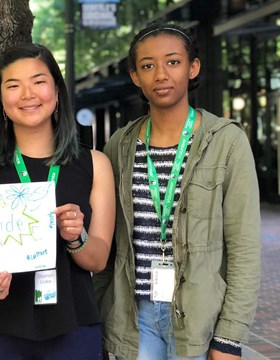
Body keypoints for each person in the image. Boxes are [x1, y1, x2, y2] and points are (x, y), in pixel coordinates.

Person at [93, 23, 261, 360]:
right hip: (134, 318)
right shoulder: (120, 145)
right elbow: (109, 244)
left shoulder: (226, 141)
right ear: (135, 76)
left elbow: (244, 246)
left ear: (192, 67)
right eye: (148, 66)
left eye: (172, 62)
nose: (160, 75)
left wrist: (229, 336)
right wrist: (99, 317)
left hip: (200, 319)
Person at [0, 43, 115, 359]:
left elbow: (98, 260)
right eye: (13, 85)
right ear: (2, 100)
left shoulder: (95, 163)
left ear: (57, 91)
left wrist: (76, 237)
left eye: (38, 81)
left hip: (73, 325)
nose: (27, 94)